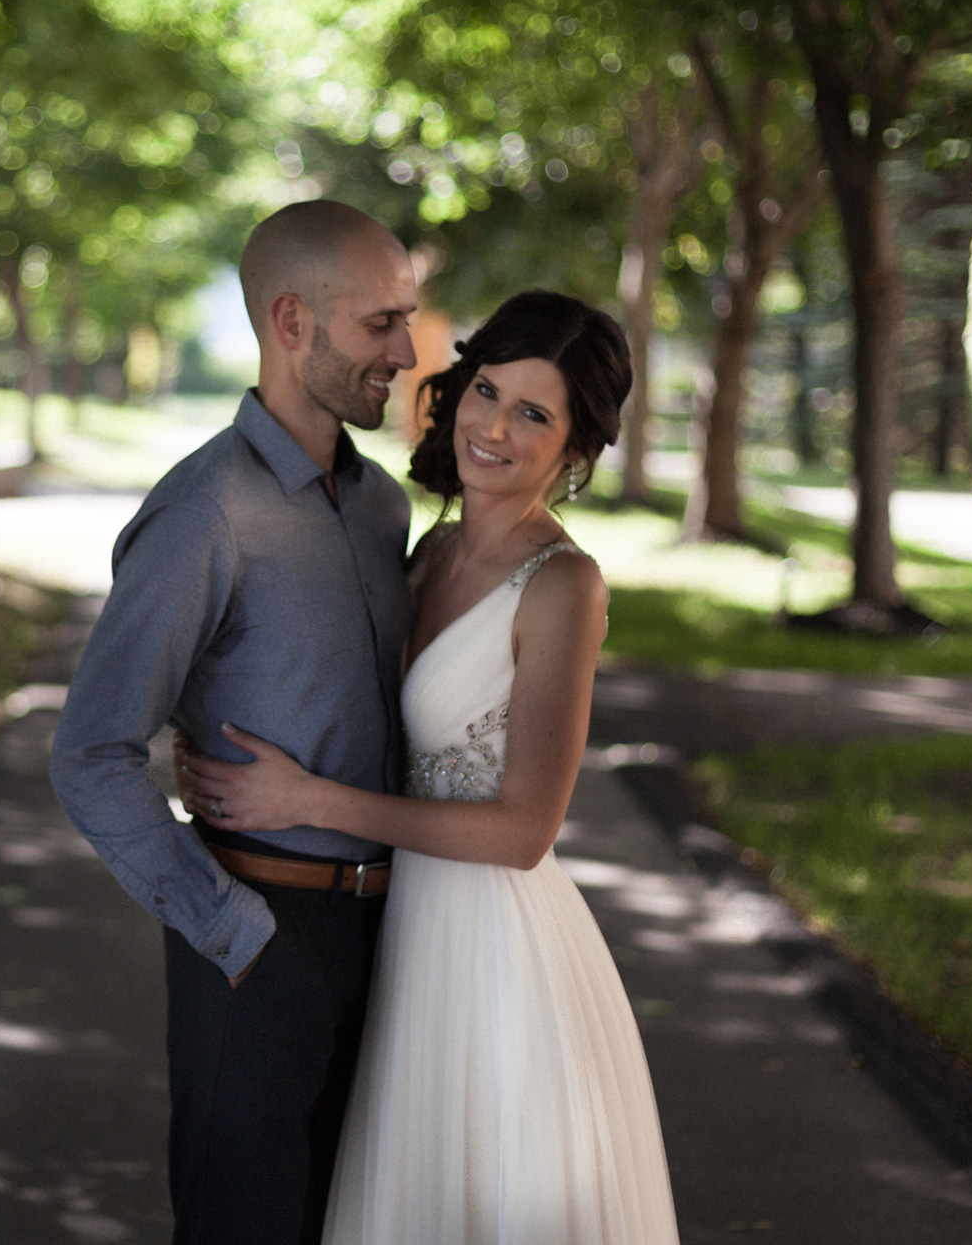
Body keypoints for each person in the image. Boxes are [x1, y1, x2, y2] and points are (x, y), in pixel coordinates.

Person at [182, 289, 681, 1244]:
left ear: (575, 449)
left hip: (493, 948)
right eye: (486, 390)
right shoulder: (429, 547)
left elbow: (525, 833)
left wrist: (311, 798)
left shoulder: (564, 586)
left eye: (533, 413)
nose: (492, 426)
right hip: (397, 922)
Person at [48, 199, 419, 1244]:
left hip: (387, 930)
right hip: (257, 933)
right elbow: (91, 751)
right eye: (380, 323)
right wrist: (227, 927)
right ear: (291, 321)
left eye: (408, 318)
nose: (406, 349)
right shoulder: (206, 510)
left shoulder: (383, 505)